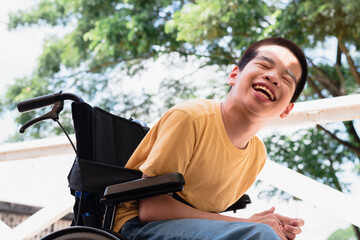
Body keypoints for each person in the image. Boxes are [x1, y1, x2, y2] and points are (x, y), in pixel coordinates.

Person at [113, 37, 308, 240]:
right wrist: (249, 225)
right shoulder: (191, 118)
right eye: (264, 65)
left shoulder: (257, 154)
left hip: (186, 227)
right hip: (134, 228)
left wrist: (257, 226)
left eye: (286, 79)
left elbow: (208, 217)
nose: (273, 77)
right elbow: (151, 210)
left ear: (287, 109)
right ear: (234, 75)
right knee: (261, 234)